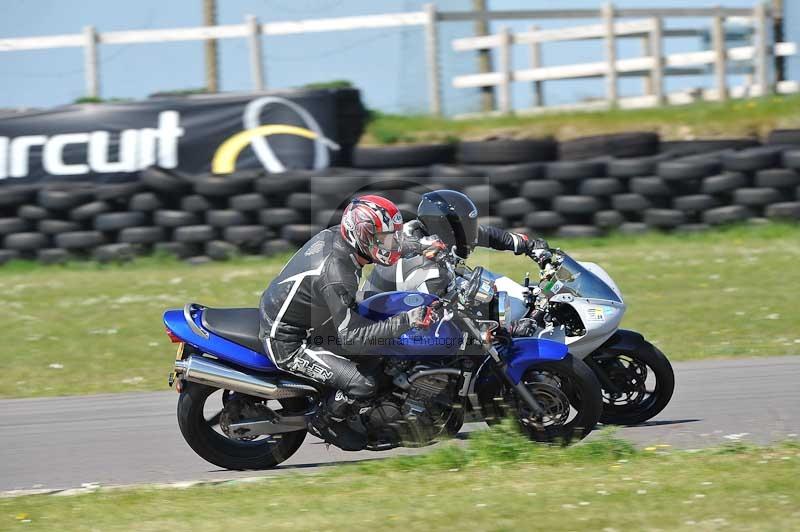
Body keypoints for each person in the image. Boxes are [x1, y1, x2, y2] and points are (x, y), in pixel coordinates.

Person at [258, 195, 439, 404]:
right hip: (289, 340)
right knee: (364, 385)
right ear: (363, 236)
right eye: (388, 237)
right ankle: (326, 424)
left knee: (384, 355)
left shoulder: (343, 238)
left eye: (394, 236)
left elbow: (384, 245)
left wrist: (420, 245)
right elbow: (352, 338)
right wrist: (407, 320)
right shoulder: (337, 275)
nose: (393, 243)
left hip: (315, 318)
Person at [363, 189, 549, 296]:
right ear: (445, 228)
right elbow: (443, 306)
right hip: (386, 325)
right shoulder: (414, 255)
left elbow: (488, 235)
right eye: (464, 227)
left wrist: (528, 246)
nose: (470, 234)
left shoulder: (448, 237)